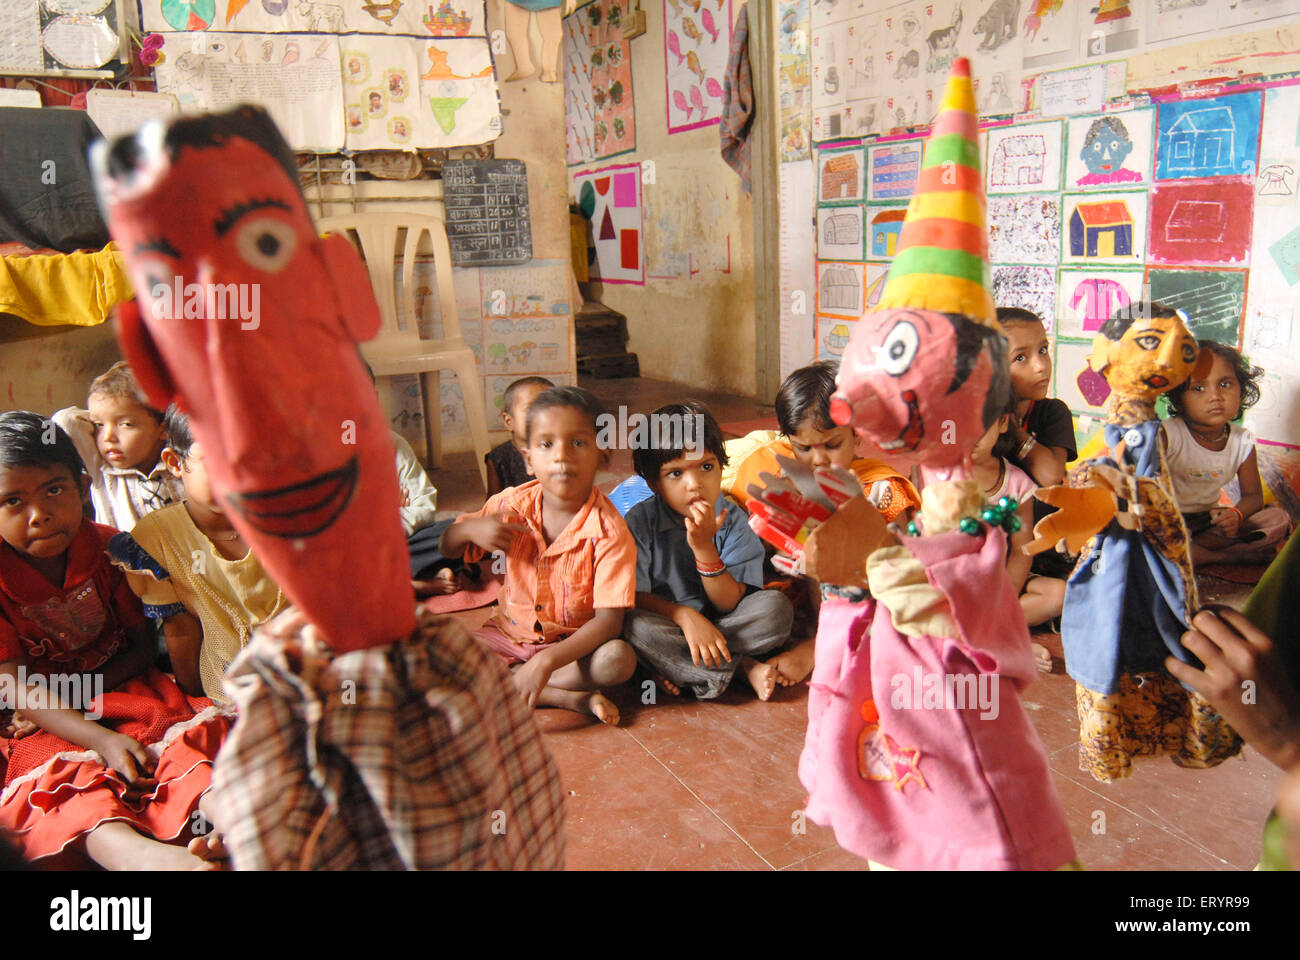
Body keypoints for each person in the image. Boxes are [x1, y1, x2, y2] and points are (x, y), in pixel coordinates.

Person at [0, 411, 232, 868]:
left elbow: (143, 647)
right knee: (64, 780)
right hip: (43, 714)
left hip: (126, 686)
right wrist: (95, 737)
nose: (40, 514)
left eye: (53, 490)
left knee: (178, 746)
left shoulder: (113, 549)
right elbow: (11, 683)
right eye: (12, 501)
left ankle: (229, 823)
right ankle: (141, 858)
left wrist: (94, 696)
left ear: (83, 488)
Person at [440, 386, 637, 724]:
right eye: (547, 444)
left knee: (617, 660)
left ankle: (522, 681)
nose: (562, 455)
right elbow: (447, 546)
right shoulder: (509, 505)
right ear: (529, 460)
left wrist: (544, 663)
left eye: (578, 442)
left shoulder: (611, 531)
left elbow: (608, 622)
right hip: (505, 637)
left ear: (602, 457)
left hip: (567, 652)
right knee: (437, 657)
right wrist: (469, 530)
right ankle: (566, 699)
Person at [721, 360, 919, 687]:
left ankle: (821, 647)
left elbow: (899, 571)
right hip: (808, 602)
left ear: (858, 435)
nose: (818, 460)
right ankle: (816, 639)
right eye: (802, 448)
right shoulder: (787, 479)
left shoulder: (882, 488)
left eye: (832, 445)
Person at [107, 407, 289, 701]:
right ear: (175, 462)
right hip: (224, 691)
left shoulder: (293, 521)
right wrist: (192, 700)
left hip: (308, 680)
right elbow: (181, 630)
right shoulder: (157, 539)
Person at [623, 402, 793, 701]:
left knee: (775, 610)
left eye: (706, 467)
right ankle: (741, 669)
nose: (695, 484)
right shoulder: (639, 522)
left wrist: (704, 549)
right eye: (676, 473)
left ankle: (679, 667)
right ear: (654, 484)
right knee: (636, 628)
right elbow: (634, 596)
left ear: (720, 466)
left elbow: (729, 603)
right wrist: (684, 616)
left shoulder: (733, 519)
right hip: (669, 624)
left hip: (726, 624)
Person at [1162, 340, 1292, 566]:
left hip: (1208, 521)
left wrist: (1235, 515)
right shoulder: (1168, 435)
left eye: (1225, 384)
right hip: (1168, 521)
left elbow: (1253, 497)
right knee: (1153, 540)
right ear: (1178, 398)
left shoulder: (1242, 441)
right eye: (1199, 388)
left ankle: (1201, 553)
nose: (1215, 396)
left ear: (1241, 390)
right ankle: (1228, 556)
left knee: (1278, 518)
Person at [995, 307, 1075, 664]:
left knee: (1066, 595)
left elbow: (1050, 475)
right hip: (987, 552)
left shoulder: (1052, 412)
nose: (1041, 365)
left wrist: (1014, 430)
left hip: (1035, 555)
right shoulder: (975, 421)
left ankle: (983, 629)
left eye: (1043, 350)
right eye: (1021, 358)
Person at [51, 360, 182, 531]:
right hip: (124, 558)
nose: (108, 437)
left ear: (163, 428)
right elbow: (64, 421)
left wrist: (175, 419)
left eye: (126, 424)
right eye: (99, 424)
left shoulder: (180, 464)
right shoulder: (101, 470)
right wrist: (102, 413)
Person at [485, 376, 554, 496]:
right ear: (509, 421)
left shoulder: (561, 450)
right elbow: (492, 504)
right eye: (530, 408)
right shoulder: (499, 458)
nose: (541, 415)